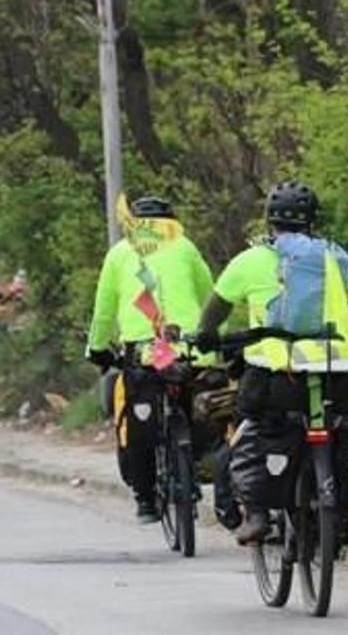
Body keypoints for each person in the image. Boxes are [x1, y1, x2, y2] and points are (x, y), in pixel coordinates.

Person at [196, 181, 348, 545]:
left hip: (274, 372)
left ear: (269, 221)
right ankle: (345, 512)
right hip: (331, 367)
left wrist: (206, 336)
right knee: (341, 425)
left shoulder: (250, 260)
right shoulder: (334, 257)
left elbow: (215, 311)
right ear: (312, 222)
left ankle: (256, 513)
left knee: (249, 427)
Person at [85, 196, 215, 524]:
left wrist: (98, 348)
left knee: (138, 422)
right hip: (190, 351)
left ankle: (145, 499)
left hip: (144, 354)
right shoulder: (186, 246)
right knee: (198, 409)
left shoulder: (119, 253)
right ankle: (192, 469)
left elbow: (103, 311)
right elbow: (212, 297)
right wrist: (216, 339)